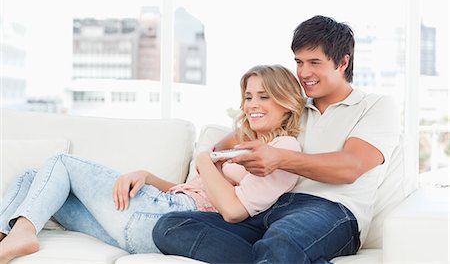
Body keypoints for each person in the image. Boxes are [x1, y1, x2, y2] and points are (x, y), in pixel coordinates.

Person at [152, 15, 401, 264]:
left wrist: (279, 158)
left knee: (282, 241)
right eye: (299, 62)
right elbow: (226, 145)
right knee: (171, 226)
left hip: (330, 210)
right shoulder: (290, 108)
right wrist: (220, 164)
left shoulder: (374, 106)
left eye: (314, 62)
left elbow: (350, 167)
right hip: (269, 209)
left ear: (343, 62)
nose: (304, 73)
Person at [0, 65, 305, 264]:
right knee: (33, 176)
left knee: (61, 163)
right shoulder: (244, 144)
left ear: (287, 102)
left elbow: (233, 210)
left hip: (173, 218)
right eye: (248, 97)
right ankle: (5, 236)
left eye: (263, 97)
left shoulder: (284, 150)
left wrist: (204, 159)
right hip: (150, 224)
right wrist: (146, 176)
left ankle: (23, 233)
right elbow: (192, 190)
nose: (252, 105)